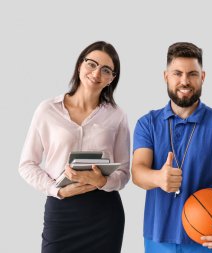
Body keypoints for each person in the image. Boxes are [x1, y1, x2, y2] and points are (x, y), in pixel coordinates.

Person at [132, 42, 212, 253]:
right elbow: (138, 171)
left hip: (209, 235)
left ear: (203, 77)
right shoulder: (147, 123)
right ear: (166, 76)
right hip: (158, 236)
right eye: (177, 73)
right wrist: (158, 178)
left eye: (192, 74)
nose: (184, 81)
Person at [19, 41, 130, 253]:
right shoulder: (47, 110)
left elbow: (124, 173)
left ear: (111, 79)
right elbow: (26, 165)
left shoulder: (118, 116)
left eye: (105, 70)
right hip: (62, 211)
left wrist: (103, 180)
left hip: (104, 214)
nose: (96, 73)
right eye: (91, 64)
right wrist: (56, 190)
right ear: (80, 65)